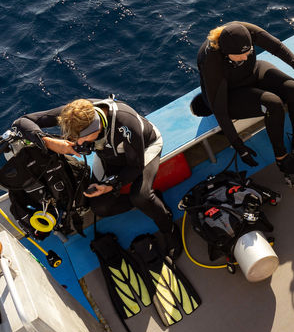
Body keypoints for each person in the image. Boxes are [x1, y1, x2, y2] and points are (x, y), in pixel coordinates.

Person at [14, 97, 178, 247]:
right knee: (99, 207)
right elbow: (22, 122)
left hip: (143, 149)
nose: (78, 144)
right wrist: (49, 142)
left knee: (140, 195)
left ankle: (167, 225)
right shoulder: (75, 114)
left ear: (97, 127)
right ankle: (151, 203)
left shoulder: (126, 123)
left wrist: (111, 186)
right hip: (109, 156)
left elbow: (135, 166)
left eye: (81, 139)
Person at [195, 21, 294, 173]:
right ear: (225, 52)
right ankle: (282, 158)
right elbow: (220, 110)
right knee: (273, 104)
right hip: (227, 93)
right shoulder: (211, 61)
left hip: (251, 73)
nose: (245, 56)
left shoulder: (244, 31)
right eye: (240, 55)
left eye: (248, 51)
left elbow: (276, 47)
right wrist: (239, 146)